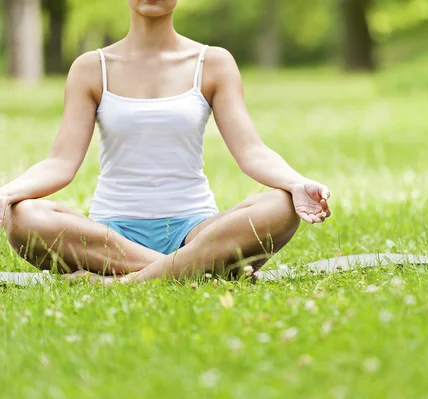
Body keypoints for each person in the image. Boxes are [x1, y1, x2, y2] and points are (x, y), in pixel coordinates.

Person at [0, 0, 331, 284]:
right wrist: (8, 192)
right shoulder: (91, 68)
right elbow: (60, 163)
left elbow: (251, 150)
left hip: (196, 230)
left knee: (284, 206)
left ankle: (128, 281)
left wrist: (296, 182)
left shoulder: (213, 62)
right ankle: (198, 268)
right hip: (110, 238)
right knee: (23, 217)